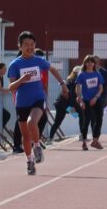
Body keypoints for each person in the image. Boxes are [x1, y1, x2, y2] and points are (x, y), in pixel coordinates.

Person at [6, 31, 68, 175]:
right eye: (26, 44)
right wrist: (22, 80)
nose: (30, 47)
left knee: (31, 123)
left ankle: (38, 145)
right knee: (25, 137)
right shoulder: (15, 64)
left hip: (38, 99)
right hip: (21, 103)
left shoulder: (39, 60)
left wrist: (62, 83)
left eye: (32, 44)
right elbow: (11, 87)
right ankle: (30, 161)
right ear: (20, 46)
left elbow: (52, 69)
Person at [75, 54, 104, 150]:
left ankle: (95, 140)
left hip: (96, 100)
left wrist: (96, 97)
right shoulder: (82, 75)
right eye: (88, 62)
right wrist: (80, 100)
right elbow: (78, 88)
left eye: (92, 62)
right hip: (86, 100)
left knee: (99, 119)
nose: (90, 64)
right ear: (85, 63)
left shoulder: (97, 74)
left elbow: (100, 88)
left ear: (94, 64)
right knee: (86, 120)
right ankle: (84, 141)